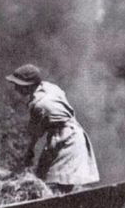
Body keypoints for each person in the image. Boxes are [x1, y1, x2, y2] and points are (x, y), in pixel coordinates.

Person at [7, 63, 99, 195]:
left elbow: (35, 133)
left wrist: (30, 152)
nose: (16, 88)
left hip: (67, 141)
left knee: (56, 183)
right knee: (48, 178)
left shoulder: (39, 104)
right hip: (70, 134)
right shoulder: (50, 87)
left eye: (19, 84)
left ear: (30, 85)